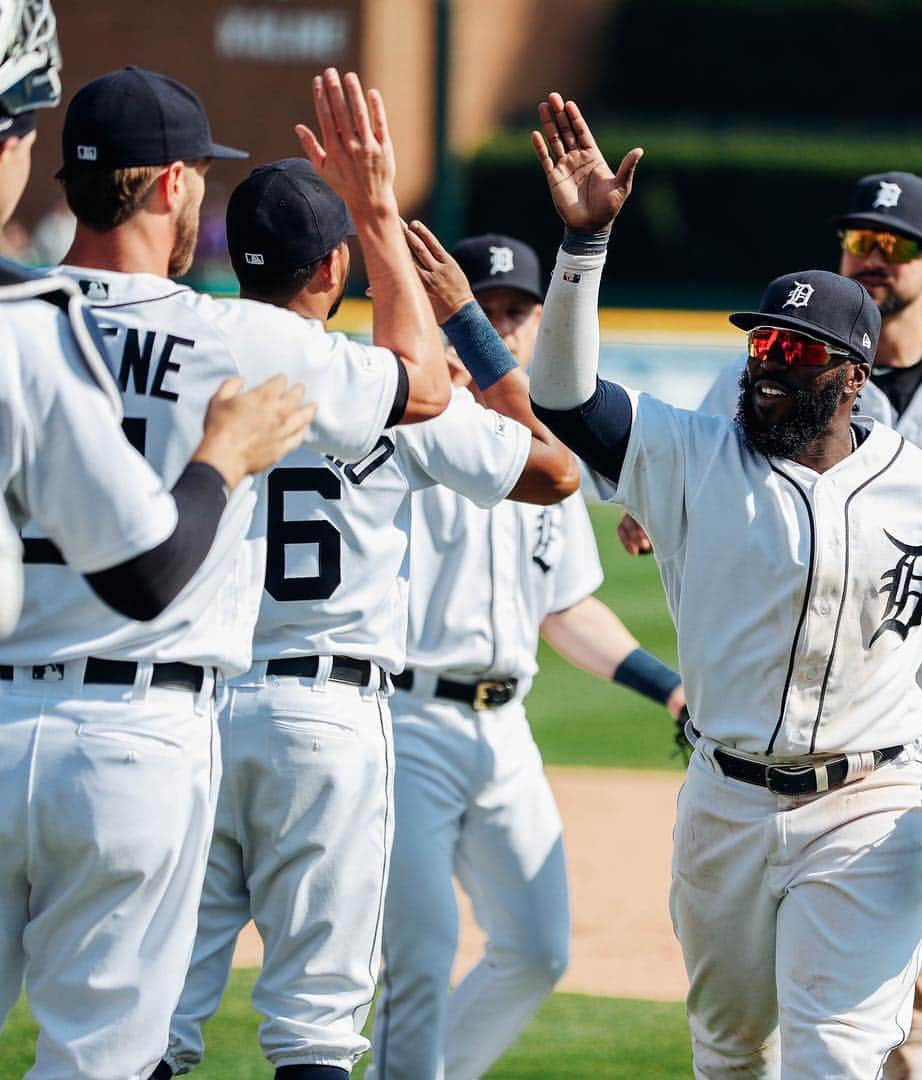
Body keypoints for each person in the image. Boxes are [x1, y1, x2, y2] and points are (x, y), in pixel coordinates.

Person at [525, 91, 922, 1079]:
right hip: (723, 805)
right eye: (760, 344)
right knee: (732, 1053)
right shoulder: (693, 453)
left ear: (851, 375)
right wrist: (583, 250)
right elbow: (563, 397)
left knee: (836, 1058)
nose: (768, 366)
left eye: (796, 351)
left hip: (873, 808)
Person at [0, 64, 449, 1079]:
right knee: (100, 1059)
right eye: (196, 170)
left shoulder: (12, 325)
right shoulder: (234, 336)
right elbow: (421, 389)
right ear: (170, 186)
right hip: (133, 737)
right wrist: (376, 209)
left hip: (0, 714)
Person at [155, 159, 578, 1079]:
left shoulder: (187, 361)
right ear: (332, 269)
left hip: (195, 707)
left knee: (155, 1020)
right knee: (315, 1026)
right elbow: (555, 472)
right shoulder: (390, 391)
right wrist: (461, 317)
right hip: (326, 717)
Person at [370, 230, 687, 1080]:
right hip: (408, 721)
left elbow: (565, 607)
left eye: (518, 311)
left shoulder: (549, 456)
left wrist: (668, 689)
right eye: (487, 309)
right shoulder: (412, 425)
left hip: (505, 734)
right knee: (420, 960)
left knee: (538, 948)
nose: (504, 327)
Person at [0, 1, 314, 637]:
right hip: (142, 707)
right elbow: (422, 392)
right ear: (174, 183)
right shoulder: (26, 326)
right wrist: (226, 452)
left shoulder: (32, 313)